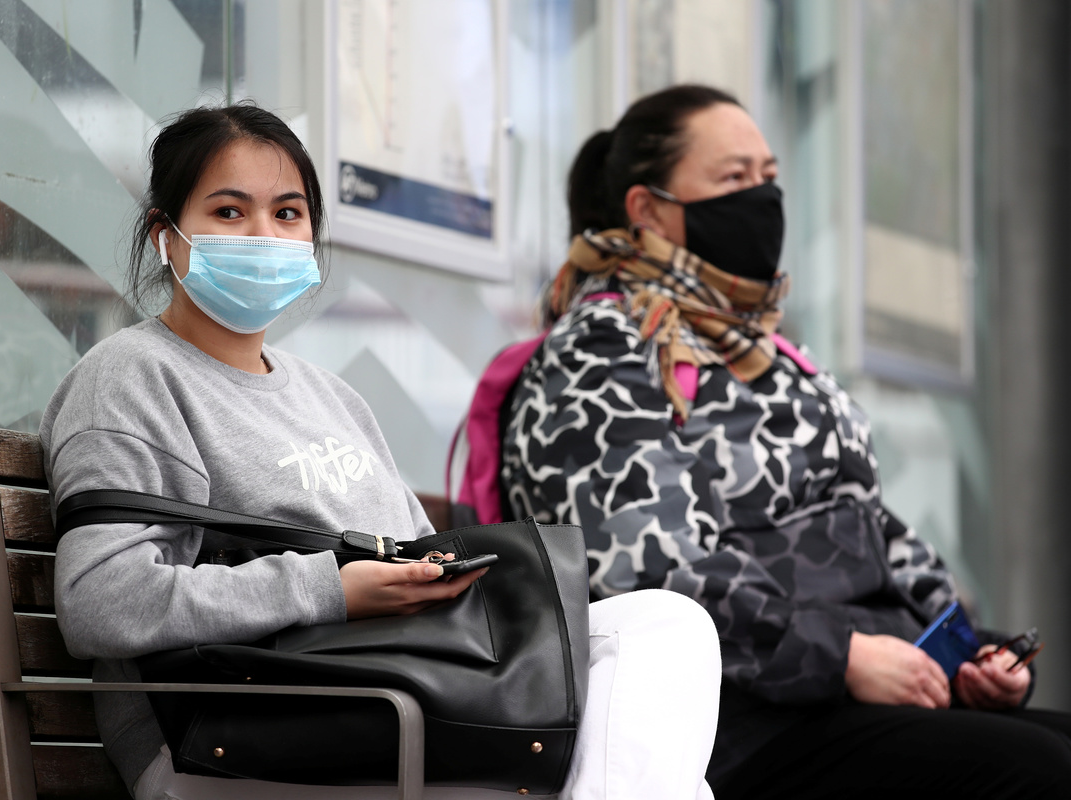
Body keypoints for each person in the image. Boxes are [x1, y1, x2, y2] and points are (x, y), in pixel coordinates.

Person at [40, 102, 721, 800]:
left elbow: (419, 557)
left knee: (665, 629)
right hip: (236, 733)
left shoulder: (331, 396)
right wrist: (331, 590)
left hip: (390, 700)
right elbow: (101, 602)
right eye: (230, 211)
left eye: (287, 213)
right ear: (166, 236)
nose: (264, 234)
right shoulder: (131, 378)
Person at [499, 84, 1071, 799]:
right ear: (647, 209)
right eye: (734, 178)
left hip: (851, 698)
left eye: (768, 175)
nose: (763, 197)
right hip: (740, 724)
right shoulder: (598, 357)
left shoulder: (757, 349)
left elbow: (870, 528)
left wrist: (965, 652)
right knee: (1039, 769)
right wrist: (843, 657)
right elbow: (649, 570)